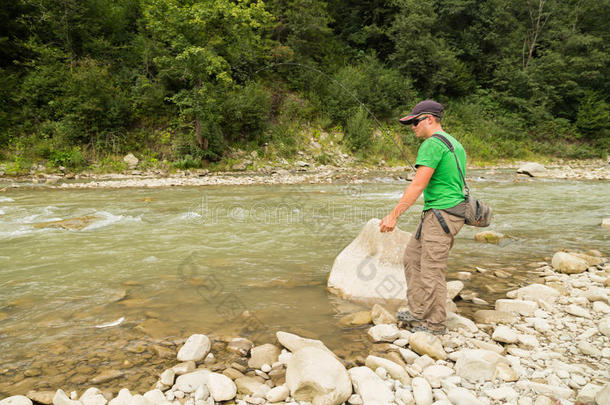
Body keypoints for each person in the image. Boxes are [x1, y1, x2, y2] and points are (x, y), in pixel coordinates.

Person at [379, 100, 467, 335]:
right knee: (412, 258)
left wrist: (393, 216)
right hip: (441, 213)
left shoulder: (431, 144)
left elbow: (418, 184)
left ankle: (435, 325)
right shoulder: (454, 143)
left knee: (431, 270)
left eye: (415, 121)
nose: (412, 126)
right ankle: (419, 312)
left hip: (442, 215)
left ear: (429, 119)